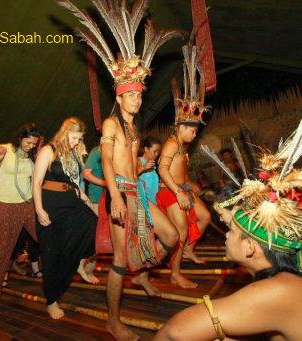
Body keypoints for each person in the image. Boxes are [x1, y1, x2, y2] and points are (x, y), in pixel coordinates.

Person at [61, 1, 183, 339]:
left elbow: (130, 162)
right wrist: (114, 196)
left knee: (171, 236)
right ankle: (113, 321)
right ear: (119, 93)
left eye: (140, 95)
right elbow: (112, 163)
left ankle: (141, 270)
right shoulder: (112, 126)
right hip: (119, 196)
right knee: (117, 261)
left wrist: (144, 165)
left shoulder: (136, 130)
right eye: (130, 94)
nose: (136, 99)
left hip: (136, 194)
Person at [155, 154, 302, 341]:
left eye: (232, 230)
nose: (226, 235)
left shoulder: (279, 291)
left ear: (250, 247)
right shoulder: (297, 272)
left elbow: (174, 332)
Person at [33, 117, 99, 320]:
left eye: (79, 139)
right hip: (51, 205)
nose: (76, 142)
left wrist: (89, 203)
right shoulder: (48, 150)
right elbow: (36, 183)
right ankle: (51, 300)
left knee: (94, 225)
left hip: (71, 201)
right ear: (64, 132)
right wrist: (39, 210)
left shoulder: (71, 154)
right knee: (52, 254)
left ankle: (79, 262)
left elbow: (75, 185)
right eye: (74, 137)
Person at [156, 39, 212, 282]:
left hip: (181, 189)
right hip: (168, 191)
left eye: (196, 131)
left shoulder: (182, 146)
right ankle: (175, 273)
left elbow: (179, 171)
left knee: (205, 217)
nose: (194, 133)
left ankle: (188, 250)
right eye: (191, 130)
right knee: (179, 231)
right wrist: (178, 190)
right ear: (180, 127)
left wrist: (189, 184)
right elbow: (162, 168)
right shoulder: (171, 143)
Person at [0, 123, 40, 319]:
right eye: (28, 142)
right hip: (4, 205)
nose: (30, 146)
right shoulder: (3, 149)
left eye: (34, 143)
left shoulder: (33, 156)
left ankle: (57, 283)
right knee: (0, 252)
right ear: (19, 137)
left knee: (48, 237)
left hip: (27, 205)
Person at [138, 136, 161, 205]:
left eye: (158, 152)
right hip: (144, 203)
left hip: (154, 202)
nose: (156, 154)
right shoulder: (139, 160)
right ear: (146, 149)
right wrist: (143, 167)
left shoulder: (153, 165)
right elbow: (130, 175)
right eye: (154, 151)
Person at [83, 145, 106, 213]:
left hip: (108, 196)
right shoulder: (96, 152)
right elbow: (86, 174)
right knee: (97, 222)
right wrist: (107, 183)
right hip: (97, 198)